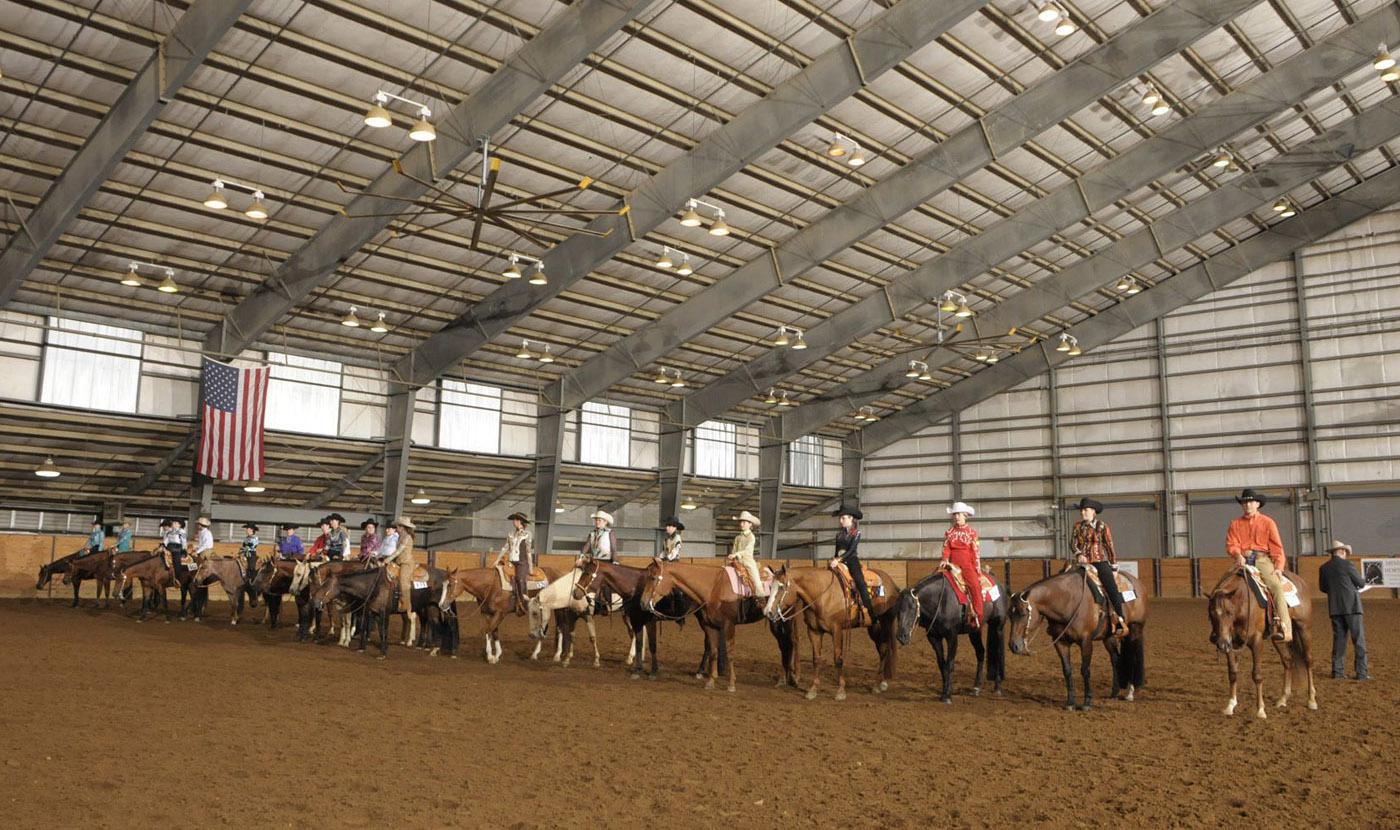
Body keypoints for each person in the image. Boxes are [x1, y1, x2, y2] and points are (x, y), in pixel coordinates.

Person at [1225, 488, 1291, 642]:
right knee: (1224, 586)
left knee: (1275, 586)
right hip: (1242, 559)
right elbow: (1231, 544)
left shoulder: (1268, 523)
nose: (1247, 505)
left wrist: (1279, 568)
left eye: (1250, 502)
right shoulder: (1235, 524)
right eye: (1244, 502)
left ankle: (1284, 627)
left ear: (1257, 504)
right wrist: (1237, 554)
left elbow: (1277, 548)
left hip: (1262, 560)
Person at [1069, 497, 1127, 636]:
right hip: (1081, 562)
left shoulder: (1102, 526)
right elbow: (1072, 543)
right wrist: (1078, 554)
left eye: (1086, 510)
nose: (1083, 513)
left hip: (1099, 562)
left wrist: (1113, 565)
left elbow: (1109, 546)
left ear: (1093, 512)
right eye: (1082, 510)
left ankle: (1120, 618)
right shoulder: (1077, 526)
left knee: (1111, 588)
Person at [1318, 540, 1369, 681]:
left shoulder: (1324, 568)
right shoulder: (1347, 565)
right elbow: (1360, 583)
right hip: (1352, 607)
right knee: (1358, 640)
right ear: (1341, 551)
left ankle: (1337, 671)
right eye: (1345, 552)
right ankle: (1361, 673)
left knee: (1339, 640)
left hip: (1335, 608)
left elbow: (1322, 588)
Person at [940, 501, 983, 629]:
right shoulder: (949, 532)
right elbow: (946, 547)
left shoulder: (971, 533)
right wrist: (944, 559)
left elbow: (975, 552)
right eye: (954, 514)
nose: (956, 517)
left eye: (958, 514)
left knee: (975, 586)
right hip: (951, 564)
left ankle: (978, 615)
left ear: (965, 515)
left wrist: (977, 570)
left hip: (967, 565)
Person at [829, 504, 873, 622]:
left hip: (852, 560)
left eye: (843, 518)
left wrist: (838, 559)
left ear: (851, 518)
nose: (841, 520)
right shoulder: (839, 535)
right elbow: (837, 551)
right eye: (840, 518)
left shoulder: (856, 533)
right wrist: (834, 559)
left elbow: (851, 550)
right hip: (839, 561)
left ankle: (871, 612)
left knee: (860, 582)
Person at [495, 512, 533, 614]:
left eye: (516, 520)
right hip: (511, 562)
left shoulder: (527, 534)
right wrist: (497, 560)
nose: (514, 521)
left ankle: (523, 603)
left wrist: (531, 567)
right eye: (514, 520)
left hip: (522, 563)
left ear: (520, 521)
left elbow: (529, 551)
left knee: (520, 580)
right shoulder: (511, 534)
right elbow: (505, 547)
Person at [382, 517, 416, 615]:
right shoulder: (400, 536)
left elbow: (398, 551)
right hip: (398, 562)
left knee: (403, 581)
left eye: (398, 526)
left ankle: (405, 603)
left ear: (403, 527)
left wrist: (387, 560)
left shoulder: (407, 537)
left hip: (406, 563)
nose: (396, 528)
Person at [729, 510, 766, 598]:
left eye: (744, 522)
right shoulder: (738, 537)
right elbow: (734, 549)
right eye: (741, 522)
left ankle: (761, 597)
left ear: (750, 524)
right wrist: (733, 555)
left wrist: (736, 554)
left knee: (756, 580)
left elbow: (747, 550)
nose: (742, 524)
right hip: (737, 561)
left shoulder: (751, 537)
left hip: (747, 561)